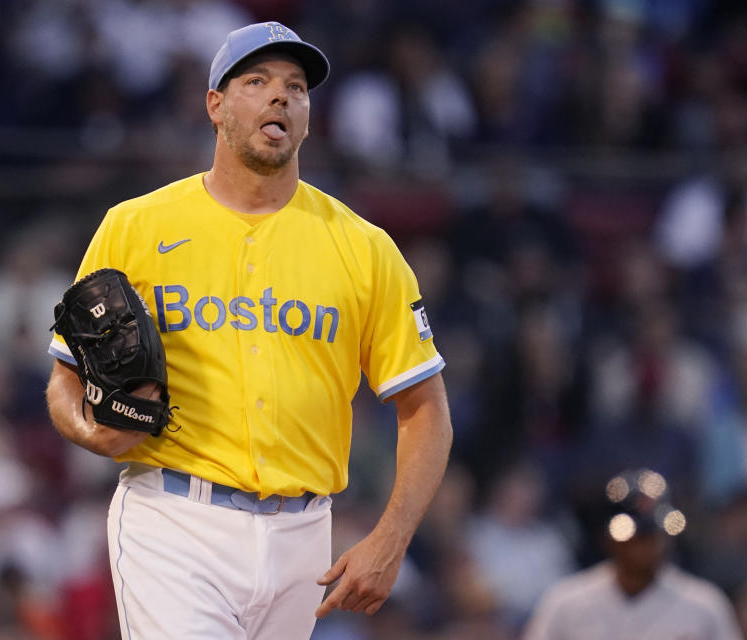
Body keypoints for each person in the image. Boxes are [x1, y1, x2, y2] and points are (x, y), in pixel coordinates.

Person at [45, 20, 453, 640]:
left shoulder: (364, 248)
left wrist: (390, 538)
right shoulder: (135, 226)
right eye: (256, 80)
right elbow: (63, 380)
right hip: (175, 516)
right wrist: (91, 432)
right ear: (214, 103)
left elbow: (425, 410)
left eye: (296, 87)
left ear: (309, 116)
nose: (280, 96)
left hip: (305, 536)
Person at [524, 468, 743, 640]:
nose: (646, 547)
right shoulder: (566, 603)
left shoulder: (705, 605)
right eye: (635, 538)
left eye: (653, 536)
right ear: (607, 538)